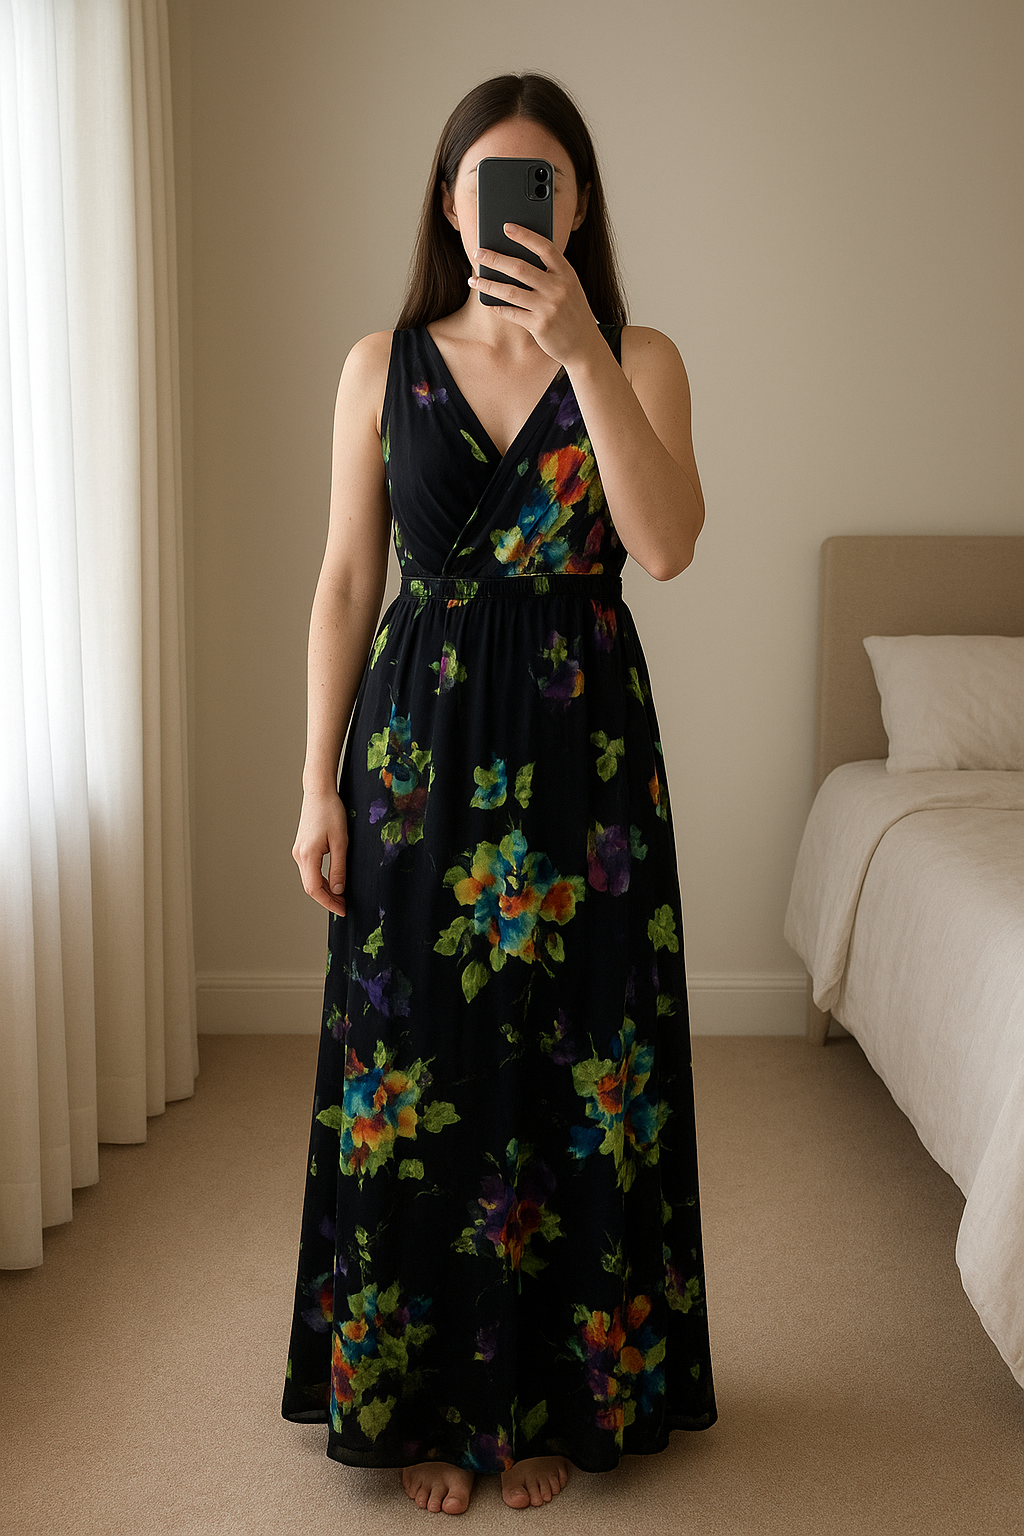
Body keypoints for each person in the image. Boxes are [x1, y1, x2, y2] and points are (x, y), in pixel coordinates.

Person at [282, 72, 716, 1515]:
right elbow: (349, 581)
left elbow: (664, 548)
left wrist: (582, 352)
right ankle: (416, 1405)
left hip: (583, 755)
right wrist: (313, 786)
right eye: (486, 180)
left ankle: (548, 1403)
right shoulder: (380, 361)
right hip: (414, 757)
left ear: (579, 204)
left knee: (573, 1064)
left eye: (542, 181)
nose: (513, 204)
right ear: (447, 199)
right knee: (412, 1076)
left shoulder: (640, 356)